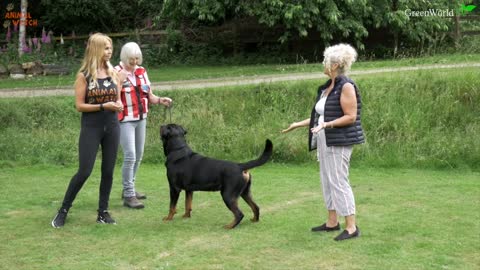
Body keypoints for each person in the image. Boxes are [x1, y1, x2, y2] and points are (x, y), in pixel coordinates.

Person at [282, 43, 365, 241]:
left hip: (338, 140)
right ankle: (332, 222)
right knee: (327, 181)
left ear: (335, 65)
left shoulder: (346, 86)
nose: (323, 64)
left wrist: (326, 125)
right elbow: (321, 116)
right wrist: (298, 124)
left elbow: (351, 116)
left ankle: (351, 227)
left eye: (325, 60)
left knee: (338, 181)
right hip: (324, 139)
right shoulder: (328, 87)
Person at [51, 33, 124, 228]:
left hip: (112, 126)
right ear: (96, 49)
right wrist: (103, 106)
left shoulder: (113, 73)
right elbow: (79, 106)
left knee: (108, 171)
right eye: (106, 48)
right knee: (84, 171)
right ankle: (63, 210)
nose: (110, 52)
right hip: (92, 127)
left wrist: (117, 104)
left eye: (110, 48)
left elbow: (116, 100)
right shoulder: (83, 76)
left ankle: (103, 212)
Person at [114, 42, 172, 209]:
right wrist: (118, 82)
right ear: (124, 58)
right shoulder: (116, 72)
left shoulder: (142, 71)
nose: (135, 63)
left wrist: (160, 100)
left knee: (138, 155)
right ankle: (129, 194)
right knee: (130, 155)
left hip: (141, 118)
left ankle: (129, 188)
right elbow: (113, 97)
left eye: (137, 59)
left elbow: (149, 95)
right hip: (125, 119)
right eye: (131, 59)